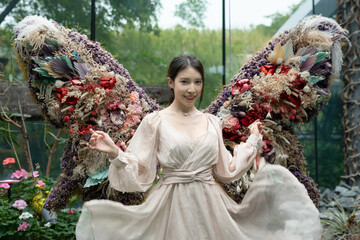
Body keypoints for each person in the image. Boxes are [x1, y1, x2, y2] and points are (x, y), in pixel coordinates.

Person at [76, 55, 321, 240]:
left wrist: (253, 141)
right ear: (170, 83)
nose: (191, 89)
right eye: (184, 82)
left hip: (212, 207)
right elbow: (141, 173)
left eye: (197, 82)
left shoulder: (212, 122)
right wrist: (114, 152)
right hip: (170, 205)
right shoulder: (155, 121)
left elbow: (226, 171)